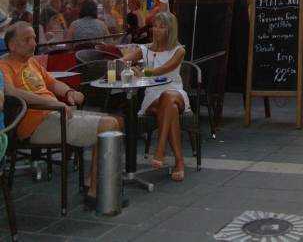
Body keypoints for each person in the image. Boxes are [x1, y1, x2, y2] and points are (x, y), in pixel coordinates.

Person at [0, 22, 119, 206]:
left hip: (56, 114)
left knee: (115, 122)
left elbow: (53, 83)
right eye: (27, 39)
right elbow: (11, 92)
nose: (33, 43)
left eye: (34, 38)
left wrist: (69, 92)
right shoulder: (4, 65)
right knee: (108, 125)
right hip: (35, 123)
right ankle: (96, 193)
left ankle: (92, 182)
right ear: (12, 45)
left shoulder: (32, 62)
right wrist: (52, 103)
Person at [126, 11, 189, 182]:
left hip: (175, 91)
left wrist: (143, 72)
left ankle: (160, 148)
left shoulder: (179, 51)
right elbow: (121, 62)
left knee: (168, 96)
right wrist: (130, 69)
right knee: (171, 109)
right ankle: (179, 162)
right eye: (154, 26)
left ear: (170, 30)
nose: (156, 30)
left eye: (162, 27)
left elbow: (164, 69)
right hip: (152, 96)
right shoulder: (144, 49)